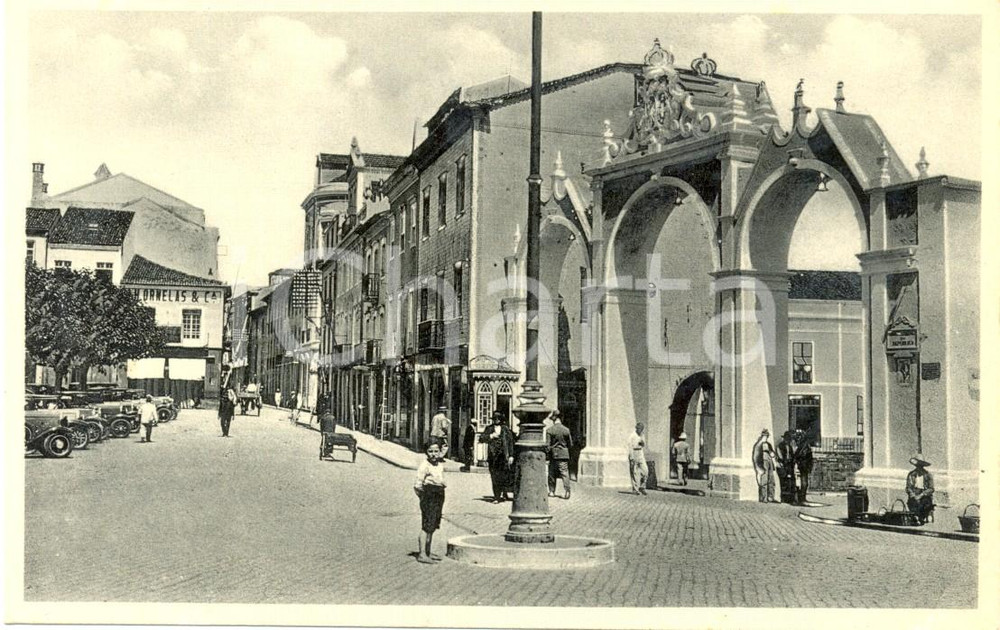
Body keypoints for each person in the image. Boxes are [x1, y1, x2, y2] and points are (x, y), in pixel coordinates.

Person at [413, 442, 446, 564]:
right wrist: (424, 498)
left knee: (433, 525)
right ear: (426, 452)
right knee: (427, 525)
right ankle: (422, 554)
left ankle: (428, 551)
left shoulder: (439, 465)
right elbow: (417, 485)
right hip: (429, 495)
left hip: (439, 494)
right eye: (430, 451)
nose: (433, 454)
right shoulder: (424, 466)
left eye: (436, 451)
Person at [480, 412, 514, 502]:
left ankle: (504, 493)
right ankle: (496, 497)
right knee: (494, 476)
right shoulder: (489, 428)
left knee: (504, 476)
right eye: (495, 418)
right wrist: (491, 436)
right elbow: (481, 438)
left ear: (501, 420)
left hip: (503, 456)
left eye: (498, 418)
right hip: (493, 456)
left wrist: (511, 455)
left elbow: (510, 443)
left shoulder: (506, 429)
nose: (496, 420)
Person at [546, 411, 573, 499]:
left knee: (551, 473)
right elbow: (570, 444)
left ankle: (551, 491)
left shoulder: (550, 430)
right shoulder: (566, 430)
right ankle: (567, 492)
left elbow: (547, 445)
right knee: (564, 473)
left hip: (553, 454)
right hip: (564, 454)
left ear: (554, 419)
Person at [905, 454, 935, 524]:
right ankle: (916, 516)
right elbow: (908, 487)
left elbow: (931, 488)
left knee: (924, 502)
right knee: (912, 502)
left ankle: (921, 516)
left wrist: (921, 495)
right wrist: (912, 494)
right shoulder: (911, 474)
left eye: (921, 466)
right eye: (918, 466)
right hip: (915, 493)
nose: (919, 468)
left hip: (924, 494)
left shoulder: (928, 475)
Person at [751, 428, 777, 503]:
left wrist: (773, 455)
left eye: (767, 436)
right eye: (764, 436)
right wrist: (759, 466)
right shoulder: (758, 445)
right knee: (764, 480)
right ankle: (763, 497)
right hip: (763, 462)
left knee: (771, 480)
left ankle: (771, 497)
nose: (766, 437)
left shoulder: (768, 444)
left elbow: (772, 453)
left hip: (769, 461)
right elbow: (756, 455)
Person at [792, 429, 814, 505]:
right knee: (803, 482)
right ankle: (801, 498)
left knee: (803, 482)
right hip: (803, 466)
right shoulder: (804, 446)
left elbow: (798, 455)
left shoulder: (803, 446)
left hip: (803, 466)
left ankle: (801, 498)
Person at [627, 423, 648, 495]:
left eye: (641, 429)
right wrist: (631, 457)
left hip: (640, 453)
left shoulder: (642, 435)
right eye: (639, 429)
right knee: (634, 472)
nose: (640, 430)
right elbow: (630, 447)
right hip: (634, 452)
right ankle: (635, 489)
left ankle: (642, 487)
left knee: (645, 471)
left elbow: (643, 444)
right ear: (636, 428)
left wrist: (642, 442)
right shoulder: (632, 436)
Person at [776, 430, 796, 504]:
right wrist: (784, 462)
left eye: (789, 439)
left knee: (791, 482)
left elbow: (792, 455)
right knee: (783, 481)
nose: (788, 440)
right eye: (787, 439)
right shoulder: (780, 446)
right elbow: (780, 455)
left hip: (790, 466)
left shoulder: (790, 447)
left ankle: (790, 499)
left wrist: (792, 461)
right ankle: (783, 498)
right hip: (784, 465)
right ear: (784, 439)